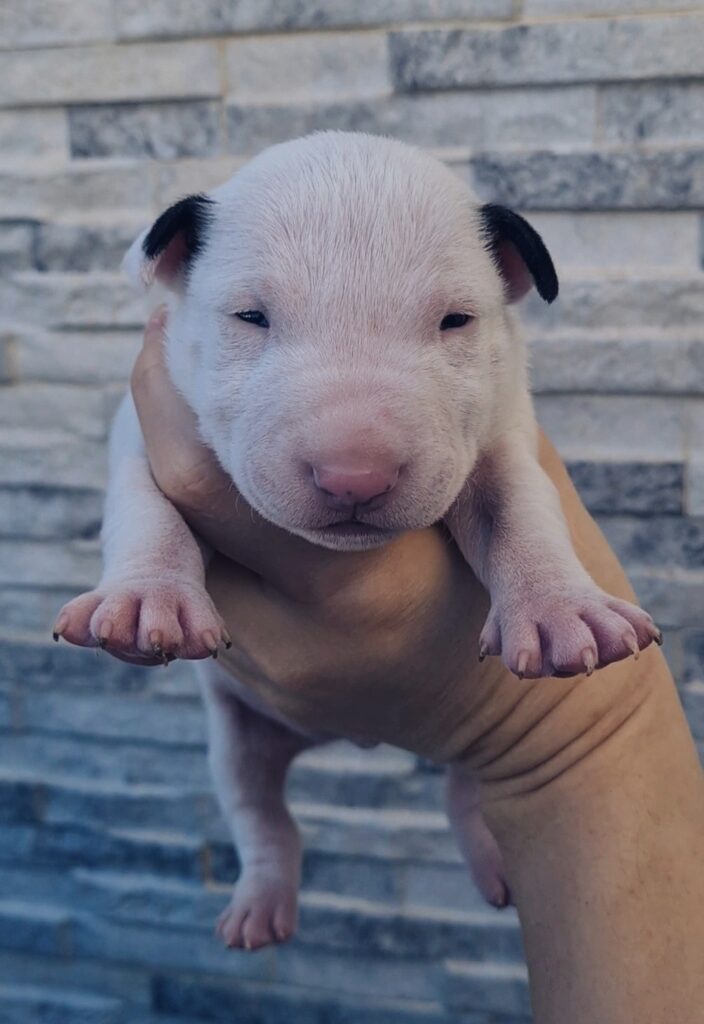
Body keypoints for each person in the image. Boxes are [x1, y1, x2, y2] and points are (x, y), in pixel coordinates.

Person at [129, 309, 703, 1023]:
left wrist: (546, 600)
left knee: (508, 535)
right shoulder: (189, 351)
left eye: (451, 322)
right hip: (250, 702)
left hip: (478, 691)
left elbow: (509, 486)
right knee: (247, 776)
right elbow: (143, 471)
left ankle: (470, 793)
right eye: (254, 320)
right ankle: (269, 853)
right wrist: (151, 574)